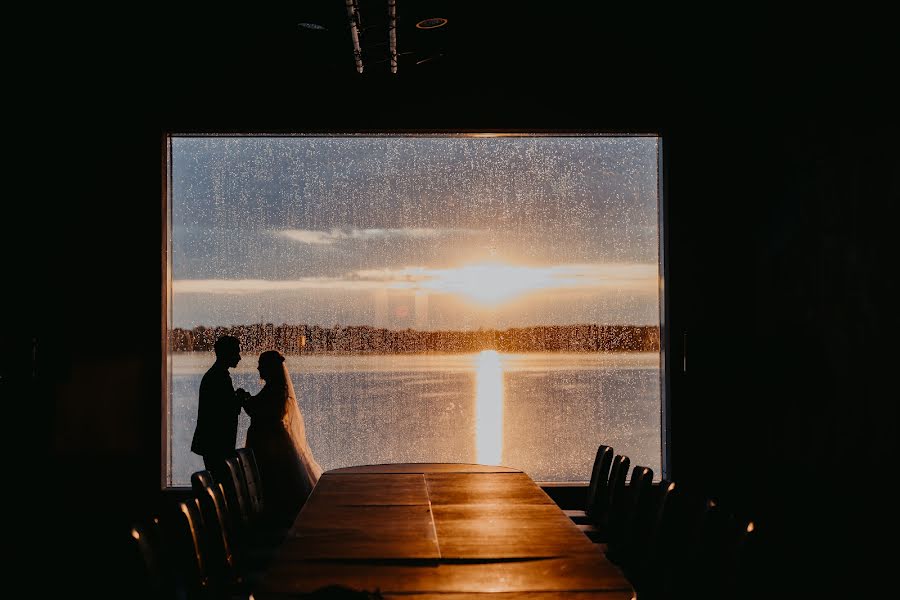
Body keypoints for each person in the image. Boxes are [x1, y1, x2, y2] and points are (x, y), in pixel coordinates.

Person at [242, 350, 322, 525]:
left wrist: (246, 401)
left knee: (274, 479)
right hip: (270, 440)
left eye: (261, 365)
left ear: (269, 368)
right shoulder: (275, 387)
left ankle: (279, 521)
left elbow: (263, 413)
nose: (258, 368)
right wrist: (248, 400)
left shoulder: (275, 389)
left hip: (270, 444)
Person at [190, 335, 245, 483]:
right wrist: (239, 399)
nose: (239, 358)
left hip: (212, 442)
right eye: (237, 353)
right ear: (227, 354)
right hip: (216, 443)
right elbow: (224, 411)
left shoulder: (215, 375)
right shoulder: (219, 377)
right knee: (221, 481)